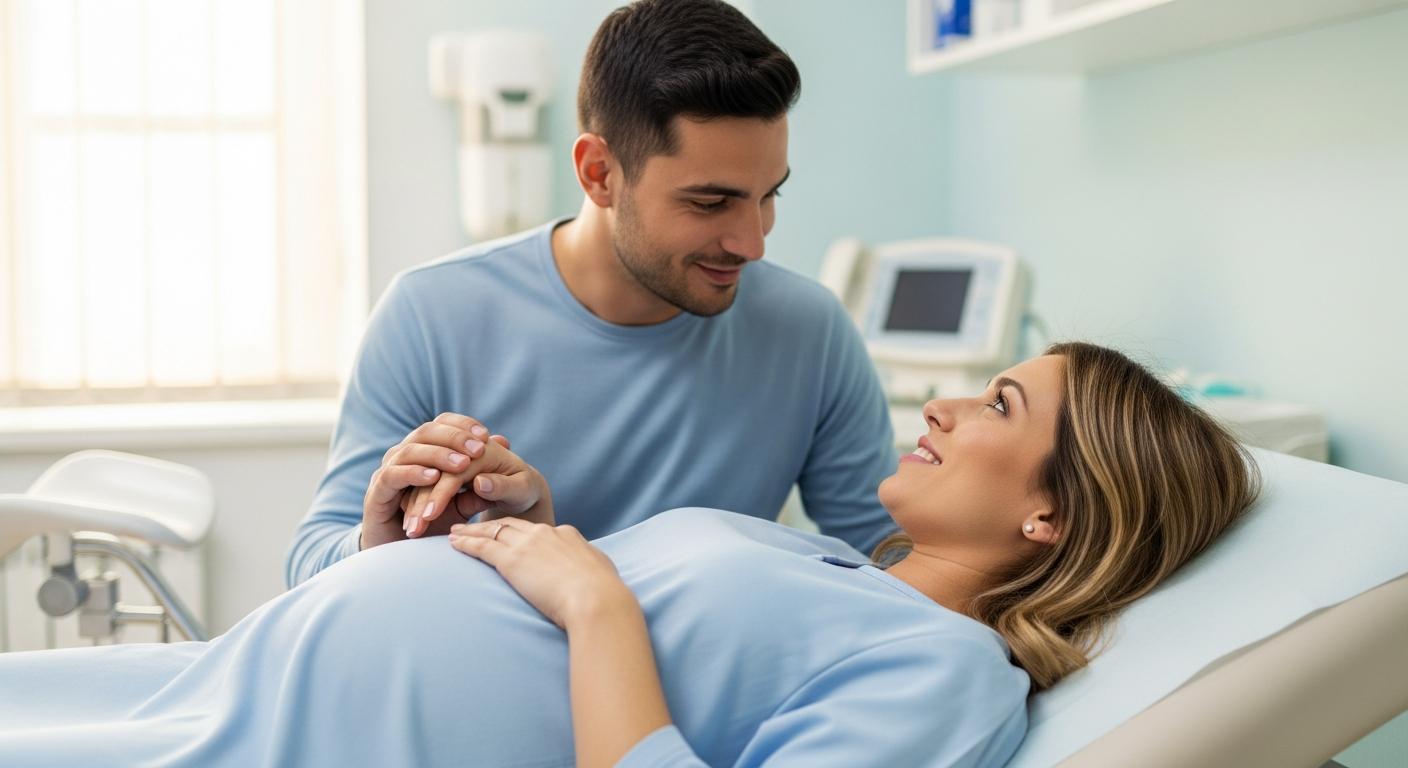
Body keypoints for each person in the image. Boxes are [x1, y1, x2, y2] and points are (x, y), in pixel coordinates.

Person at [0, 343, 1260, 767]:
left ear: (1053, 517)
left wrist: (591, 597)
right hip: (234, 687)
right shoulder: (835, 573)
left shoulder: (950, 675)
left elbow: (616, 648)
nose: (940, 406)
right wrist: (505, 528)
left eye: (996, 405)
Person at [285, 0, 899, 588]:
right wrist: (388, 540)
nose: (752, 242)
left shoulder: (810, 331)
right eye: (711, 202)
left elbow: (890, 562)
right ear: (598, 174)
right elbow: (311, 565)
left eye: (769, 196)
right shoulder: (429, 315)